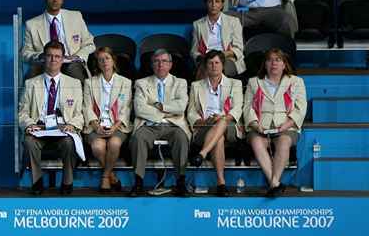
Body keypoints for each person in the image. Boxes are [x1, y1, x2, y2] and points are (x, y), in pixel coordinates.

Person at [18, 40, 84, 195]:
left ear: (62, 59)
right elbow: (22, 112)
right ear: (44, 58)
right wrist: (29, 125)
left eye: (57, 56)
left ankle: (67, 182)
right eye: (49, 56)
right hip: (39, 127)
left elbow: (79, 113)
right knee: (29, 140)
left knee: (69, 142)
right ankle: (37, 181)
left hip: (63, 128)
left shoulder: (74, 83)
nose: (53, 60)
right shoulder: (31, 83)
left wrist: (73, 125)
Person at [243, 48, 307, 197]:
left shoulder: (296, 82)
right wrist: (255, 124)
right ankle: (276, 184)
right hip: (260, 125)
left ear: (284, 65)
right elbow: (247, 107)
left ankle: (273, 182)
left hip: (286, 124)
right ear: (265, 64)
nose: (274, 63)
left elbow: (301, 108)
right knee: (257, 142)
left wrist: (286, 124)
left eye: (278, 60)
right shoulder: (254, 82)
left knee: (284, 141)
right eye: (270, 60)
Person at [129, 49, 190, 197]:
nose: (160, 64)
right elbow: (139, 109)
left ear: (170, 65)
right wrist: (168, 111)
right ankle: (138, 182)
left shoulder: (180, 83)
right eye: (156, 61)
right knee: (138, 138)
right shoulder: (141, 83)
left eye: (164, 61)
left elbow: (181, 107)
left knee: (182, 138)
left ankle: (181, 181)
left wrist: (160, 106)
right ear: (151, 65)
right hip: (149, 125)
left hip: (173, 125)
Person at [186, 50, 243, 196]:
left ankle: (203, 153)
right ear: (205, 66)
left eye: (217, 63)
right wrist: (200, 121)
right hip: (205, 125)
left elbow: (237, 108)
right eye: (210, 63)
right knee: (219, 139)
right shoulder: (196, 86)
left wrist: (222, 117)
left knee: (222, 121)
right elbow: (191, 111)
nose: (213, 66)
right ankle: (221, 183)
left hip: (229, 124)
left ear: (223, 65)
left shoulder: (235, 84)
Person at [21, 0, 95, 83]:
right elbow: (25, 53)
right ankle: (26, 99)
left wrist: (77, 57)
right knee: (32, 74)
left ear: (63, 0)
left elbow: (90, 44)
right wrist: (39, 56)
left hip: (70, 63)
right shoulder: (32, 24)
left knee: (73, 70)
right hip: (45, 63)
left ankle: (84, 99)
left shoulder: (76, 17)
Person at [82, 47, 132, 192]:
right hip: (95, 125)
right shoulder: (89, 82)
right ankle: (112, 176)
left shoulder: (125, 82)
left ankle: (105, 177)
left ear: (113, 61)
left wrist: (114, 127)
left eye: (107, 58)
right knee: (98, 147)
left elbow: (126, 109)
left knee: (114, 143)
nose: (104, 62)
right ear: (97, 63)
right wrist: (96, 126)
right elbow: (87, 108)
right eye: (100, 59)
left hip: (117, 126)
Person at [191, 0, 245, 78]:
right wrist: (203, 58)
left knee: (215, 67)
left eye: (217, 1)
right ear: (206, 4)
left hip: (227, 59)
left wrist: (221, 55)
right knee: (208, 66)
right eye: (210, 1)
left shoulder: (233, 22)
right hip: (206, 59)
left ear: (222, 4)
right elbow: (194, 51)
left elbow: (239, 49)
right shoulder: (197, 24)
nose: (213, 5)